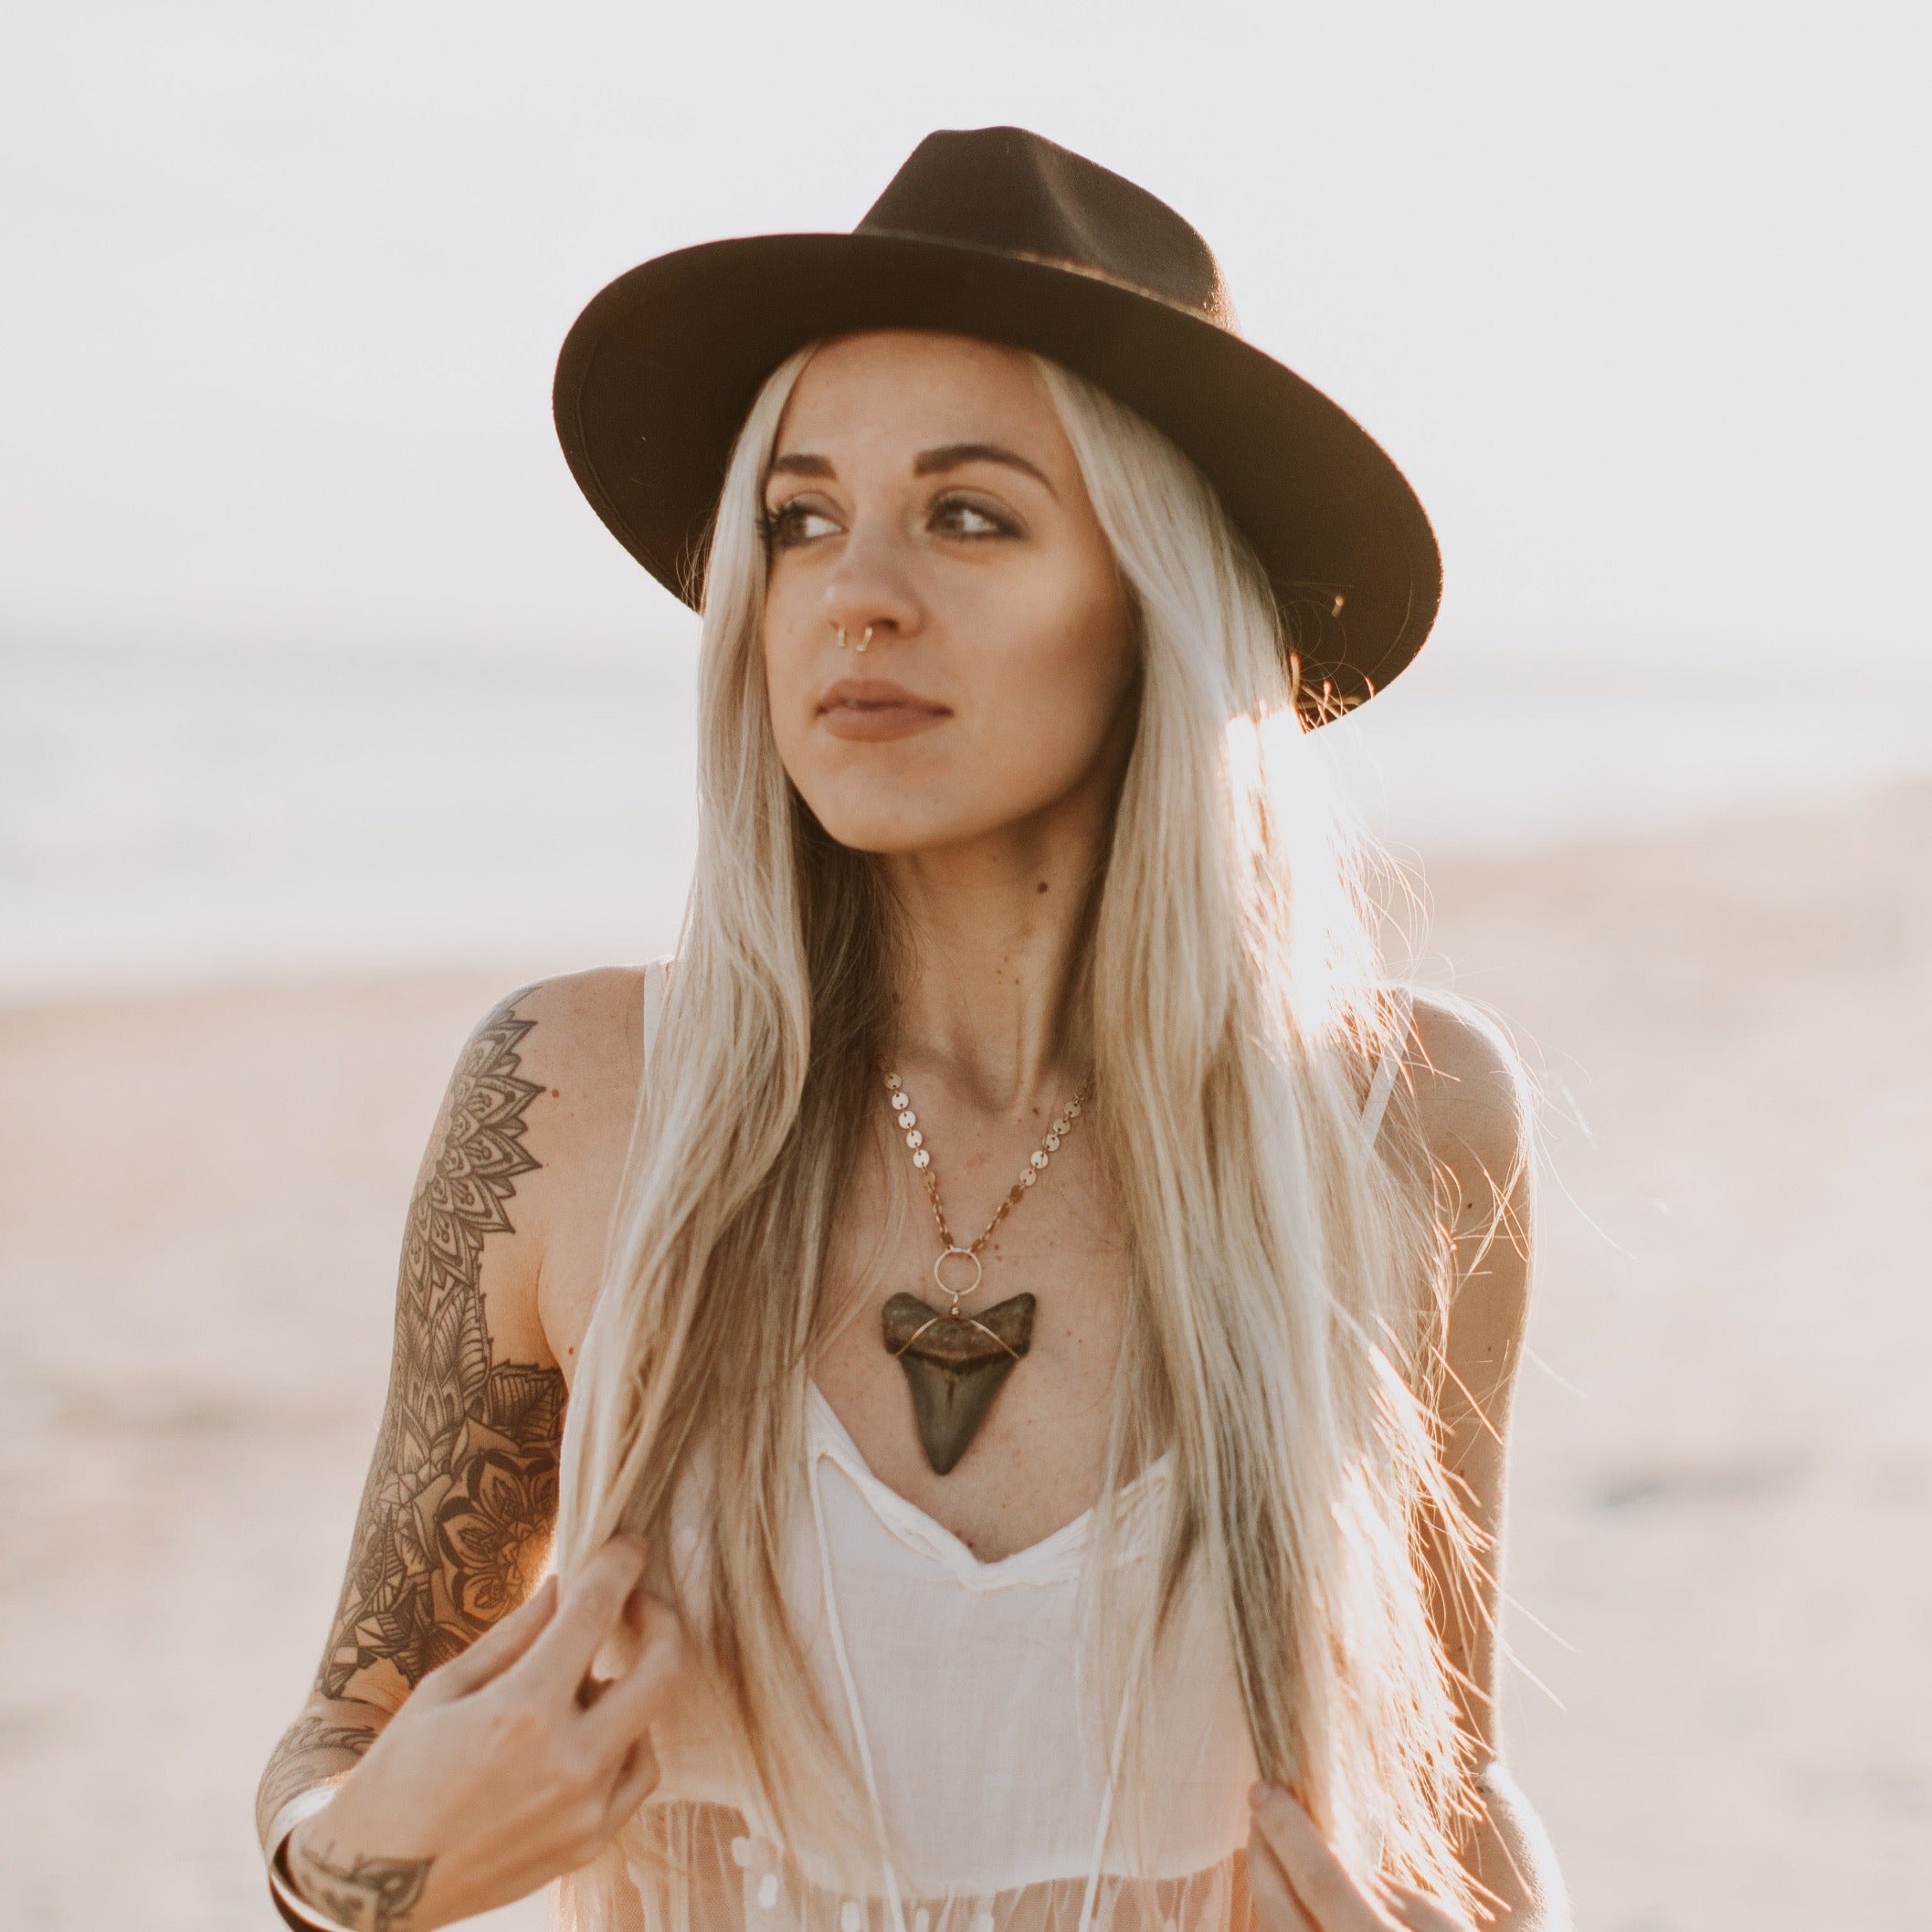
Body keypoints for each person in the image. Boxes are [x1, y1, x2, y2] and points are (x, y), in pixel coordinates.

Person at [256, 127, 1568, 1932]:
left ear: (1151, 605)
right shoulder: (571, 1093)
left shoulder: (1393, 1120)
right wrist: (347, 1871)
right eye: (799, 519)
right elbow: (356, 1716)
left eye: (969, 513)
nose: (853, 590)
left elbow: (1451, 1779)